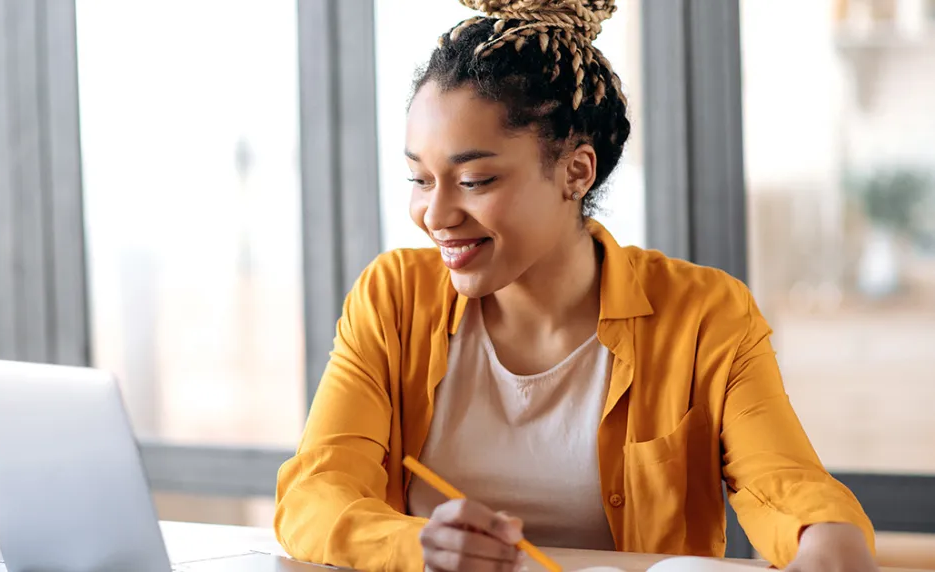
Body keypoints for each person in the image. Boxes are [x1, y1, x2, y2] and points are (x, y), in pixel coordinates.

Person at [275, 1, 877, 570]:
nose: (435, 214)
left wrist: (826, 539)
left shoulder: (705, 314)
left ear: (575, 171)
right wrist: (417, 548)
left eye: (476, 180)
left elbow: (784, 483)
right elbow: (314, 493)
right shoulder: (392, 299)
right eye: (419, 178)